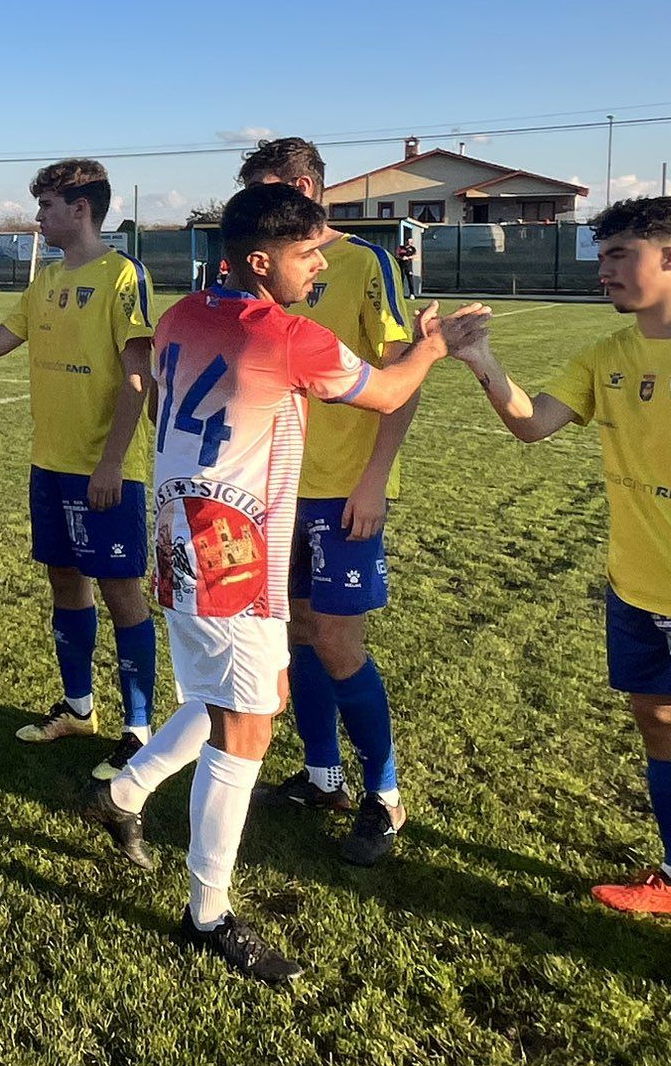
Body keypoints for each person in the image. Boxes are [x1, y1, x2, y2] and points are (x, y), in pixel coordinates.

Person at [82, 184, 449, 983]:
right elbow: (387, 392)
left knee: (237, 697)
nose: (321, 267)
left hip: (182, 529)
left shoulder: (181, 314)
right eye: (308, 253)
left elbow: (151, 375)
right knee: (247, 726)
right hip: (233, 546)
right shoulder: (289, 336)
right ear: (259, 260)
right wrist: (433, 346)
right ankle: (207, 911)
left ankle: (124, 794)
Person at [442, 196, 671, 1013]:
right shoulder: (608, 353)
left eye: (622, 252)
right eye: (605, 254)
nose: (606, 268)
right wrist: (482, 361)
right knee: (660, 723)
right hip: (635, 586)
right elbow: (532, 425)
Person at [0, 160, 159, 771]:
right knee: (64, 582)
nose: (39, 216)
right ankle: (77, 707)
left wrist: (111, 462)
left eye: (47, 205)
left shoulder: (124, 274)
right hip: (49, 464)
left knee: (123, 594)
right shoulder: (44, 280)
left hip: (106, 470)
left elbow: (138, 375)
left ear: (81, 208)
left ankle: (138, 727)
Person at [239, 138, 418, 864]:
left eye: (273, 191)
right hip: (276, 490)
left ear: (308, 187)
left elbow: (402, 370)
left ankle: (386, 796)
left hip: (344, 491)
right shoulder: (262, 268)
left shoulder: (364, 263)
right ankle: (322, 777)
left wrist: (373, 477)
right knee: (295, 634)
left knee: (340, 643)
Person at [395, 235, 421, 299]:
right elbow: (396, 255)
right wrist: (401, 258)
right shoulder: (401, 248)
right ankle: (400, 294)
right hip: (401, 266)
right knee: (401, 280)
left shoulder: (413, 249)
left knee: (410, 280)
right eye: (409, 241)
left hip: (408, 266)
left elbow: (416, 256)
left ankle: (412, 294)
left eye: (411, 242)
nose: (410, 243)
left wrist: (408, 257)